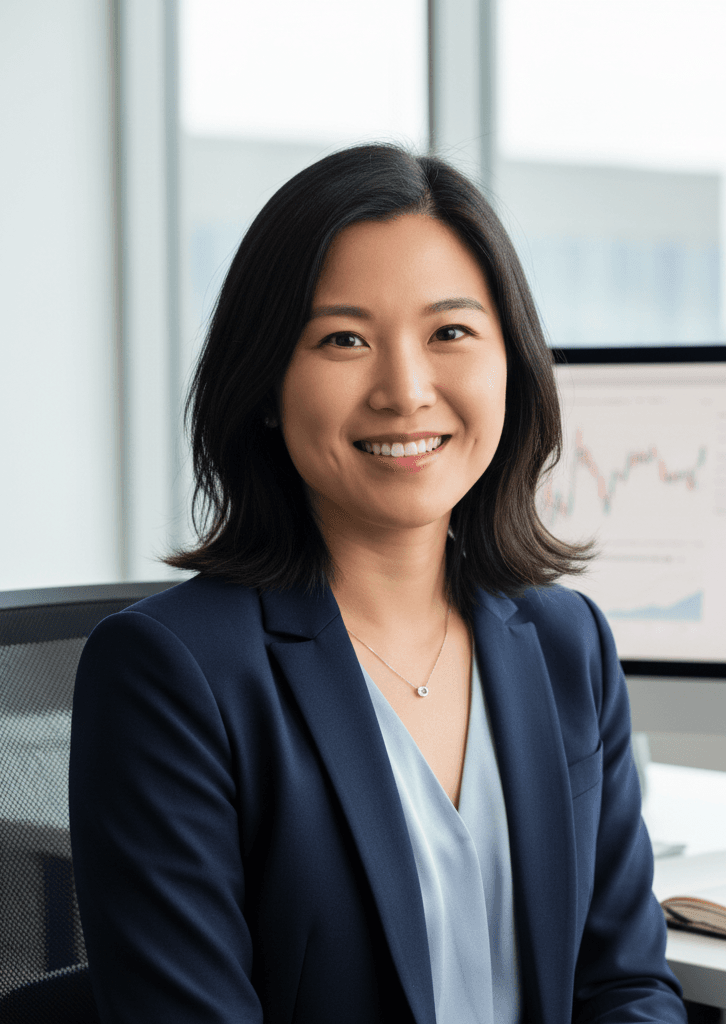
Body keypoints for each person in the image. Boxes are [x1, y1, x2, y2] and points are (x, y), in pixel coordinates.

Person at [69, 144, 688, 1024]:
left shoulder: (567, 644)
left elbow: (626, 985)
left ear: (509, 361)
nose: (405, 390)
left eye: (450, 333)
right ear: (267, 387)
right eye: (344, 339)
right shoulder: (170, 673)